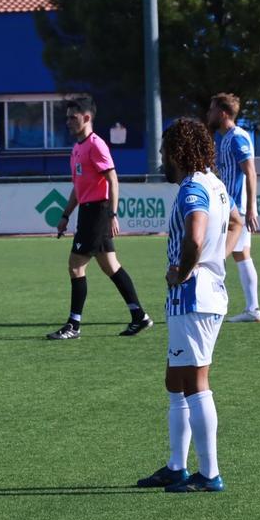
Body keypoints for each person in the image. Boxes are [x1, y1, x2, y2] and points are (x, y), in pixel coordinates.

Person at [136, 117, 243, 493]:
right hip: (203, 294)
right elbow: (236, 222)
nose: (163, 158)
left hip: (193, 297)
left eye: (166, 151)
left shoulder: (192, 189)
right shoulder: (215, 184)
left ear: (178, 152)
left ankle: (210, 473)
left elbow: (195, 235)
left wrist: (183, 270)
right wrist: (219, 258)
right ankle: (176, 466)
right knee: (175, 380)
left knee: (196, 383)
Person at [47, 96, 152, 339]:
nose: (68, 122)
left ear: (87, 118)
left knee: (75, 266)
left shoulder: (96, 145)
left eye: (73, 117)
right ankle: (139, 316)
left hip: (97, 212)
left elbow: (113, 179)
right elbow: (78, 186)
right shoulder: (77, 148)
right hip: (88, 210)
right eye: (67, 118)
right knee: (111, 267)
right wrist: (65, 215)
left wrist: (112, 214)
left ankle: (74, 325)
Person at [208, 93, 260, 323]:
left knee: (217, 256)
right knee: (240, 256)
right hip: (228, 206)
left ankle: (215, 305)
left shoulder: (238, 138)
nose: (208, 114)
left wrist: (250, 208)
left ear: (222, 113)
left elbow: (250, 172)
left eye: (211, 110)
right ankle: (252, 309)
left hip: (236, 210)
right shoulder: (222, 138)